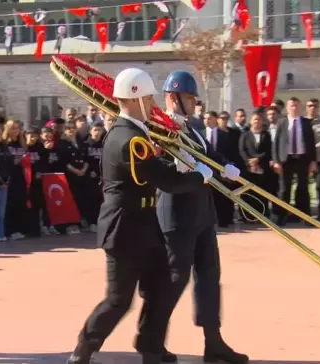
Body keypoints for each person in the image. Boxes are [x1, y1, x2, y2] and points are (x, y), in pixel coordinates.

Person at [67, 68, 214, 364]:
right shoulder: (129, 139)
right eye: (148, 97)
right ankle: (83, 349)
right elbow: (164, 180)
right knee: (119, 300)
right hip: (125, 231)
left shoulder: (136, 133)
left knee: (161, 287)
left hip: (145, 227)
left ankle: (150, 346)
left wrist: (187, 168)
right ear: (135, 99)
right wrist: (198, 175)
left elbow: (159, 173)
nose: (152, 103)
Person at [158, 70, 247, 364]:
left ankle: (213, 341)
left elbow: (210, 153)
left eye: (194, 98)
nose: (194, 103)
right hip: (177, 214)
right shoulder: (159, 127)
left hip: (202, 213)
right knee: (175, 279)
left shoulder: (193, 126)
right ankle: (152, 339)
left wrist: (226, 166)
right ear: (173, 98)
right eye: (188, 97)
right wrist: (189, 169)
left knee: (209, 277)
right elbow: (161, 167)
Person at [271, 97, 316, 226]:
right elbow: (276, 143)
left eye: (296, 105)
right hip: (286, 159)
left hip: (302, 158)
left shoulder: (306, 123)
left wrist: (313, 161)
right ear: (287, 107)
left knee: (303, 188)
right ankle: (281, 217)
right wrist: (276, 161)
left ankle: (305, 216)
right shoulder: (282, 123)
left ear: (300, 107)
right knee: (284, 189)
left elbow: (311, 143)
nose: (294, 108)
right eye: (291, 105)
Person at [239, 111, 273, 220]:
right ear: (251, 121)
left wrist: (258, 160)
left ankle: (262, 215)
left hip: (262, 167)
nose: (257, 122)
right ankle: (247, 216)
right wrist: (249, 161)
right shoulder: (245, 135)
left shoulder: (266, 135)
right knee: (248, 193)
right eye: (255, 119)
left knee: (262, 192)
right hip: (248, 168)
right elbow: (242, 149)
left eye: (259, 119)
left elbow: (268, 150)